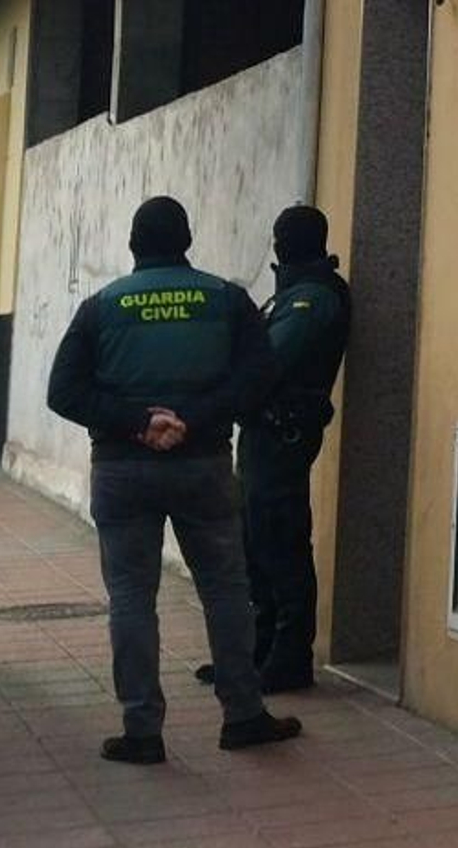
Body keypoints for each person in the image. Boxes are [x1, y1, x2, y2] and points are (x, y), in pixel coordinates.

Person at [47, 196, 302, 765]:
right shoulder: (227, 299)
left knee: (132, 598)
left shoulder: (101, 306)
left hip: (121, 469)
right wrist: (198, 420)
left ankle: (142, 731)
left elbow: (63, 392)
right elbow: (260, 375)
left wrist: (140, 423)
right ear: (187, 241)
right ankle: (243, 716)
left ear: (133, 245)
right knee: (226, 591)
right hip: (203, 465)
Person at [195, 205, 350, 694]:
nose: (278, 246)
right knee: (254, 544)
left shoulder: (313, 299)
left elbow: (269, 360)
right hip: (261, 436)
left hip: (283, 438)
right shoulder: (291, 296)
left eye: (284, 238)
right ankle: (256, 653)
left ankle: (289, 658)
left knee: (280, 545)